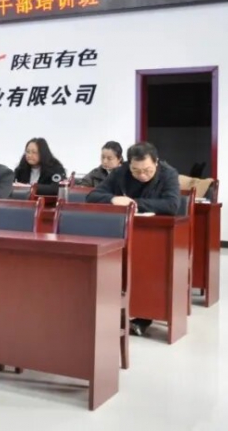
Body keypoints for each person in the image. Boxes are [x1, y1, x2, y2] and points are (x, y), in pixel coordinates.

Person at [87, 141, 180, 336]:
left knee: (149, 267)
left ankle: (145, 313)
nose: (142, 175)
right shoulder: (121, 172)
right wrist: (113, 199)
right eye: (136, 171)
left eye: (147, 170)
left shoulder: (168, 174)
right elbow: (93, 196)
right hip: (125, 231)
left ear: (156, 162)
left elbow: (171, 205)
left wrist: (133, 203)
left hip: (156, 235)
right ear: (129, 165)